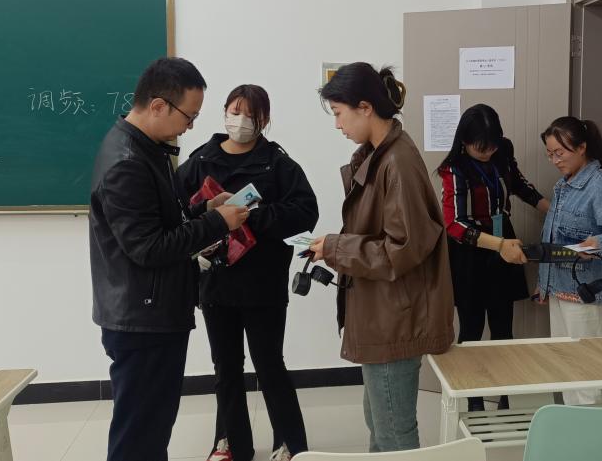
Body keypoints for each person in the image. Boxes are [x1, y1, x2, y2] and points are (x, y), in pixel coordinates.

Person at [89, 57, 250, 461]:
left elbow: (159, 222)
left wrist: (203, 210)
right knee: (140, 436)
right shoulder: (127, 163)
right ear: (159, 105)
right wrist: (217, 223)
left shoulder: (146, 149)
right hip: (143, 319)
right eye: (189, 116)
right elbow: (148, 248)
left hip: (150, 312)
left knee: (150, 428)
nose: (190, 126)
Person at [307, 62, 454, 453]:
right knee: (380, 422)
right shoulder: (380, 157)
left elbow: (402, 248)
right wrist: (335, 246)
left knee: (393, 432)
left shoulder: (397, 161)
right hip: (385, 313)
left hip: (395, 319)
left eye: (339, 113)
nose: (337, 124)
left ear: (365, 107)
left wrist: (336, 248)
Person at [178, 85, 318, 461]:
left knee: (269, 364)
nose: (240, 120)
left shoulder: (278, 163)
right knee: (225, 366)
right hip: (215, 282)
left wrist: (253, 214)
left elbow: (306, 212)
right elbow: (175, 212)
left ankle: (290, 443)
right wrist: (208, 213)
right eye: (234, 111)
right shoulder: (200, 160)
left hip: (263, 284)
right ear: (224, 112)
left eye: (250, 114)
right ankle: (229, 442)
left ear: (264, 120)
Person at [437, 104, 548, 411]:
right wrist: (498, 245)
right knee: (471, 332)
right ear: (464, 141)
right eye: (480, 148)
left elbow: (522, 187)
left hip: (503, 246)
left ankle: (504, 398)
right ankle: (474, 402)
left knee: (503, 330)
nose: (487, 152)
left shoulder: (502, 153)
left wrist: (555, 210)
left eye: (492, 146)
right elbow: (454, 224)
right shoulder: (454, 169)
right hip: (471, 251)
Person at [538, 116, 602, 405]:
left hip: (588, 296)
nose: (555, 160)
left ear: (582, 148)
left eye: (560, 153)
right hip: (560, 290)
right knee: (566, 371)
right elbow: (552, 238)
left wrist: (598, 243)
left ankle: (593, 431)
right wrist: (544, 285)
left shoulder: (600, 186)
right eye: (550, 154)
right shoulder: (563, 186)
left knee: (588, 377)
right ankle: (575, 429)